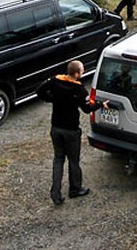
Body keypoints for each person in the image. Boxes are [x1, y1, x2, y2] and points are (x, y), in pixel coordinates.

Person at [36, 60, 108, 205]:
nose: (82, 74)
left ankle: (55, 193)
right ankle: (75, 189)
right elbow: (87, 109)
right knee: (73, 160)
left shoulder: (55, 81)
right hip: (71, 130)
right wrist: (101, 105)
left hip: (56, 128)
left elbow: (39, 91)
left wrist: (52, 99)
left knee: (58, 159)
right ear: (76, 74)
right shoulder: (79, 90)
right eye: (81, 71)